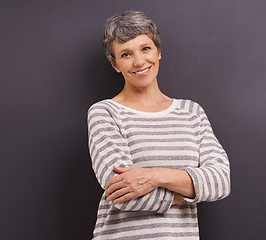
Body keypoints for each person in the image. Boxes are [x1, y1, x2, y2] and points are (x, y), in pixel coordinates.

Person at [87, 10, 230, 240]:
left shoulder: (191, 112)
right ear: (115, 64)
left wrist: (154, 176)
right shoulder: (105, 113)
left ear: (158, 51)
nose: (139, 61)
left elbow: (221, 181)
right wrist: (192, 189)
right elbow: (123, 195)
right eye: (126, 54)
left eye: (146, 48)